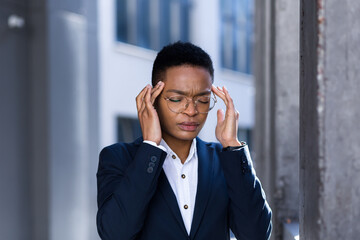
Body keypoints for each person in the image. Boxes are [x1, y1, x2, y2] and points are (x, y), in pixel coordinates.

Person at [96, 42, 272, 240]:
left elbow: (256, 234)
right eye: (176, 99)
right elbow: (114, 234)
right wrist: (150, 148)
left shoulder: (225, 161)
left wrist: (232, 144)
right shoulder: (119, 158)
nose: (191, 111)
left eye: (203, 100)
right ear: (153, 99)